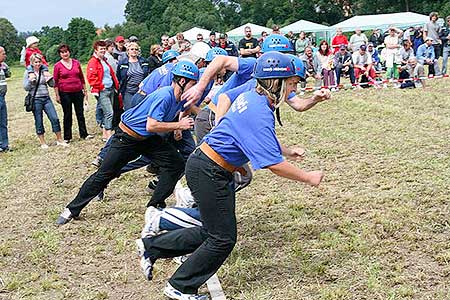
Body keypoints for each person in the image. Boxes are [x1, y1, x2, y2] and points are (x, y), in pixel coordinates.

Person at [135, 52, 324, 300]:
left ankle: (151, 247)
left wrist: (288, 151)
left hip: (209, 167)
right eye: (291, 83)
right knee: (222, 239)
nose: (293, 89)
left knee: (214, 232)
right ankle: (180, 286)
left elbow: (260, 136)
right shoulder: (258, 109)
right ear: (276, 82)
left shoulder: (252, 98)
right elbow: (273, 164)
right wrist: (308, 177)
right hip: (209, 170)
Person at [56, 60, 200, 226]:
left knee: (176, 164)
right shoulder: (165, 95)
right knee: (104, 174)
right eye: (193, 83)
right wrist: (179, 125)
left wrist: (178, 127)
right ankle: (71, 210)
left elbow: (186, 108)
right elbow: (152, 125)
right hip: (127, 137)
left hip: (147, 139)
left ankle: (155, 206)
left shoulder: (181, 96)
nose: (195, 87)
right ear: (182, 81)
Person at [23, 53, 68, 149]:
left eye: (39, 62)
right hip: (36, 99)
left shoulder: (44, 71)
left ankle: (59, 140)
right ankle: (43, 142)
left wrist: (50, 78)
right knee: (39, 120)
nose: (38, 64)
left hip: (46, 98)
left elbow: (52, 84)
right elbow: (26, 87)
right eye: (36, 62)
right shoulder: (28, 73)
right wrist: (31, 81)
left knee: (54, 118)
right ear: (32, 63)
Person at [53, 44, 92, 142]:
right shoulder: (57, 66)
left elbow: (81, 77)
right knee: (67, 114)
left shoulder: (76, 63)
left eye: (66, 51)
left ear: (69, 52)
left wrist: (85, 90)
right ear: (60, 54)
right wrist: (57, 95)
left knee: (80, 113)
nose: (65, 53)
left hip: (78, 91)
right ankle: (67, 137)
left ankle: (84, 134)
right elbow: (55, 82)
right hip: (65, 92)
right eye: (62, 52)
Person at [87, 40, 119, 141]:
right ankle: (109, 134)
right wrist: (100, 86)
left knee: (108, 112)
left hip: (110, 89)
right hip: (102, 91)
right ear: (96, 50)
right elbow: (91, 77)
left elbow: (110, 74)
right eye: (101, 49)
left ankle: (105, 135)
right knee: (109, 112)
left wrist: (115, 85)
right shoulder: (93, 62)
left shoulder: (104, 60)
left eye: (104, 49)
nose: (103, 51)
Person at [117, 42, 150, 110]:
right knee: (129, 111)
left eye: (136, 49)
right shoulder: (122, 63)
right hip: (128, 91)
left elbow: (147, 75)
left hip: (141, 90)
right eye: (132, 49)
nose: (134, 51)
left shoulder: (144, 61)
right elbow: (119, 77)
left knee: (140, 110)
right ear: (128, 51)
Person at [0, 47, 11, 152]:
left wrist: (5, 67)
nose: (5, 55)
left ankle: (4, 145)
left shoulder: (3, 66)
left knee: (3, 122)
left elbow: (9, 75)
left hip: (2, 97)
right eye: (3, 53)